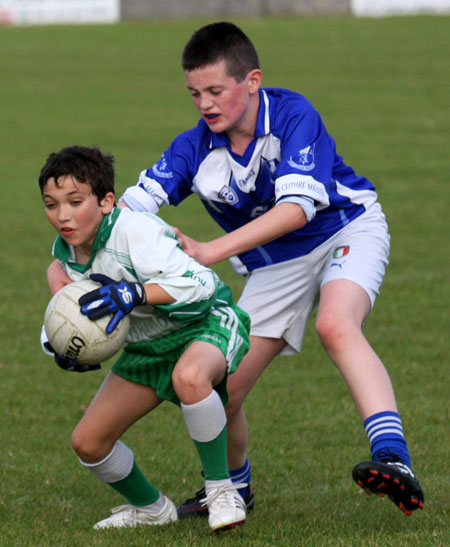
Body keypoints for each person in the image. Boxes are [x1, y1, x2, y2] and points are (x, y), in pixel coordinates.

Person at [47, 22, 424, 517]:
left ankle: (393, 459)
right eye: (194, 93)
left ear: (252, 81)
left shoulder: (292, 114)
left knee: (336, 325)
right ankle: (234, 489)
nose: (205, 104)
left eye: (215, 90)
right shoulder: (193, 148)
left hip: (345, 231)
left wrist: (210, 251)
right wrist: (64, 285)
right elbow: (124, 214)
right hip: (275, 263)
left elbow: (296, 210)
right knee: (221, 388)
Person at [39, 144, 251, 532]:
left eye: (74, 201)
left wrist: (135, 292)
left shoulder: (135, 230)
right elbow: (67, 311)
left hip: (205, 323)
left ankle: (222, 490)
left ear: (106, 202)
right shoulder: (65, 258)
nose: (62, 215)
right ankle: (152, 509)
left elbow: (201, 285)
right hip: (147, 345)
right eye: (51, 204)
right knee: (88, 443)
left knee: (188, 377)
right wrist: (58, 344)